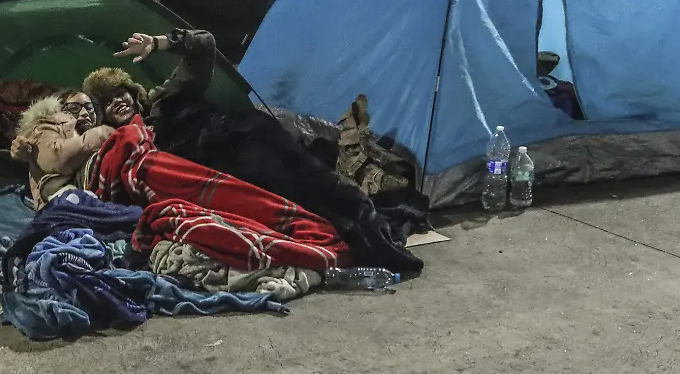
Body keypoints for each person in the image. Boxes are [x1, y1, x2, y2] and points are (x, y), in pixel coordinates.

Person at [83, 29, 428, 275]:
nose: (117, 101)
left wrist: (160, 42)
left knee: (311, 180)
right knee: (300, 205)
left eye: (120, 92)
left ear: (133, 91)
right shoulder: (135, 144)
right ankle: (362, 237)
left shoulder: (165, 98)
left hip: (243, 136)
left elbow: (205, 45)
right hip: (229, 171)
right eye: (107, 101)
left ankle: (375, 233)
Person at [9, 90, 114, 210]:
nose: (85, 113)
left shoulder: (95, 137)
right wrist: (101, 134)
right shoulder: (44, 127)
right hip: (61, 201)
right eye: (74, 107)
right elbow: (57, 158)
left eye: (89, 108)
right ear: (60, 110)